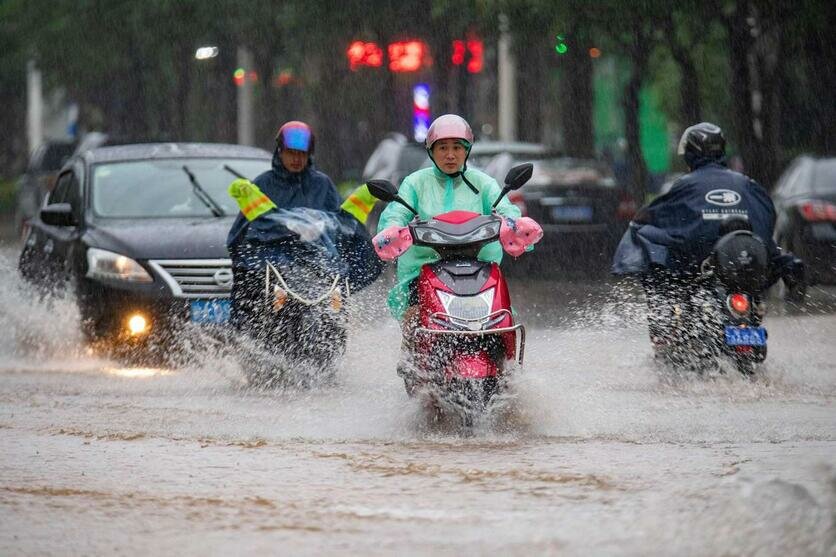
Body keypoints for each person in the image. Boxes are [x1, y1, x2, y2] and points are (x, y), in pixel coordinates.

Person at [611, 122, 803, 346]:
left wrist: (641, 227)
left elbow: (654, 216)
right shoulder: (748, 185)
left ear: (690, 154)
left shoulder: (683, 186)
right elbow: (768, 220)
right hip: (746, 267)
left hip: (701, 266)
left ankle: (664, 325)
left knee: (648, 239)